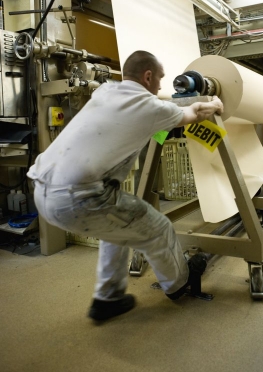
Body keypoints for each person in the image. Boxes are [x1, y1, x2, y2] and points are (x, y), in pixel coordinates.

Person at [27, 50, 224, 322]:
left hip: (43, 191)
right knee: (160, 228)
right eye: (159, 80)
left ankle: (107, 299)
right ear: (147, 76)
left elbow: (151, 107)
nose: (160, 86)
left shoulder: (106, 92)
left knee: (117, 231)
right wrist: (215, 103)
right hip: (80, 199)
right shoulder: (152, 108)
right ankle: (179, 284)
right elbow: (194, 112)